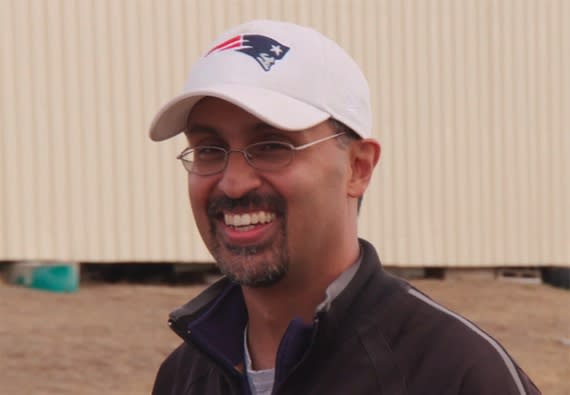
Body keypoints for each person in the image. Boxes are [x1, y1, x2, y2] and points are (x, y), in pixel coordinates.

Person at [149, 20, 540, 395]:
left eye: (271, 146)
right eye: (209, 150)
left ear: (358, 167)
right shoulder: (184, 377)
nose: (233, 183)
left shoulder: (455, 376)